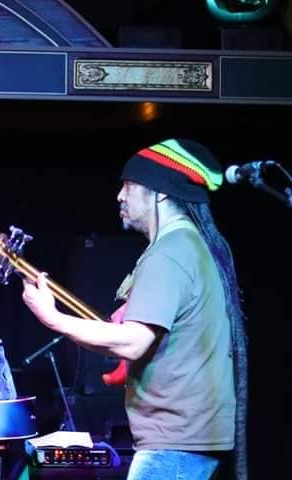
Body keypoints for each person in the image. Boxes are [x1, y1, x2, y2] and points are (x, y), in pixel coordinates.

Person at [21, 139, 247, 480]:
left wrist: (52, 317)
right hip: (185, 439)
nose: (119, 196)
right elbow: (138, 343)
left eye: (128, 186)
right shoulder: (188, 245)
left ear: (161, 193)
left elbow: (134, 342)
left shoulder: (169, 252)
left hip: (174, 445)